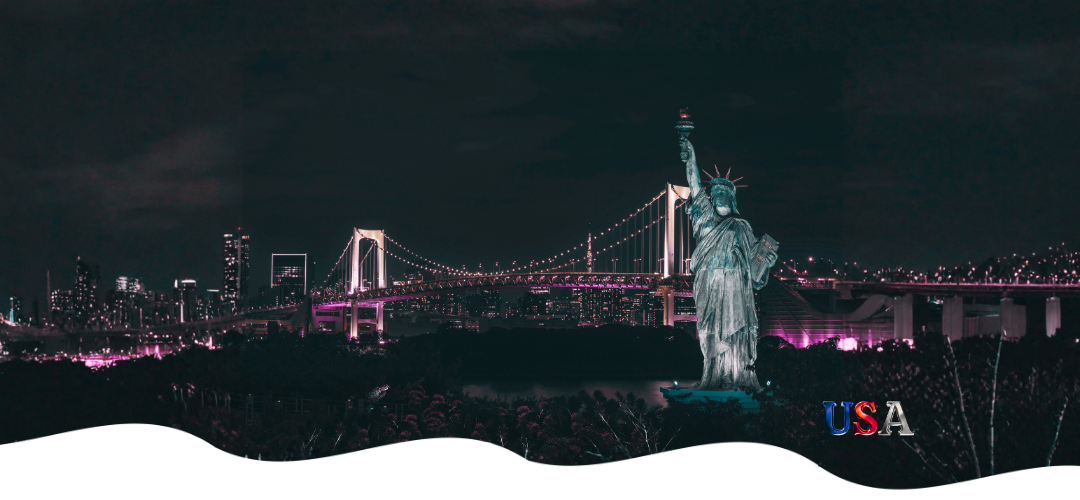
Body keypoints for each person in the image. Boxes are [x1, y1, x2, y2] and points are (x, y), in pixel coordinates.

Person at [681, 136, 777, 391]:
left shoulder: (742, 226)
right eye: (715, 192)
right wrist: (690, 153)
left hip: (735, 284)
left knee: (736, 330)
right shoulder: (705, 219)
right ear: (710, 197)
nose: (719, 194)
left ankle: (736, 376)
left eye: (724, 191)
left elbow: (756, 271)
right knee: (712, 329)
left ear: (732, 196)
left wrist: (767, 261)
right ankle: (714, 374)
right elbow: (693, 183)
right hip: (710, 283)